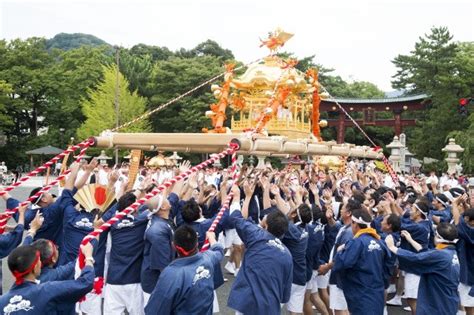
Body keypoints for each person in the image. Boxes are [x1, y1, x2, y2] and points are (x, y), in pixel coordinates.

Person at [227, 185, 293, 315]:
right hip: (271, 307)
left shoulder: (257, 235)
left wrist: (236, 198)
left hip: (248, 303)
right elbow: (285, 294)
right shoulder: (287, 254)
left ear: (266, 224)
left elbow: (236, 218)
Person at [144, 226, 224, 315]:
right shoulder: (208, 258)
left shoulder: (171, 274)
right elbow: (219, 250)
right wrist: (211, 238)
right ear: (197, 243)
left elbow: (155, 310)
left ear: (173, 245)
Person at [386, 222, 460, 315]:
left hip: (438, 302)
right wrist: (411, 240)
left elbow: (416, 258)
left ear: (438, 237)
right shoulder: (450, 252)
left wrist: (393, 248)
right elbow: (426, 253)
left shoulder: (440, 255)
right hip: (447, 300)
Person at [0, 242, 95, 314]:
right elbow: (85, 282)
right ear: (35, 267)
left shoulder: (2, 301)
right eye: (38, 261)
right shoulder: (48, 290)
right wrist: (88, 258)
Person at [333, 208, 392, 315]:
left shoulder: (356, 243)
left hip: (360, 294)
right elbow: (388, 266)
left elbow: (341, 264)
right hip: (377, 293)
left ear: (355, 224)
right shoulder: (380, 242)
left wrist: (340, 251)